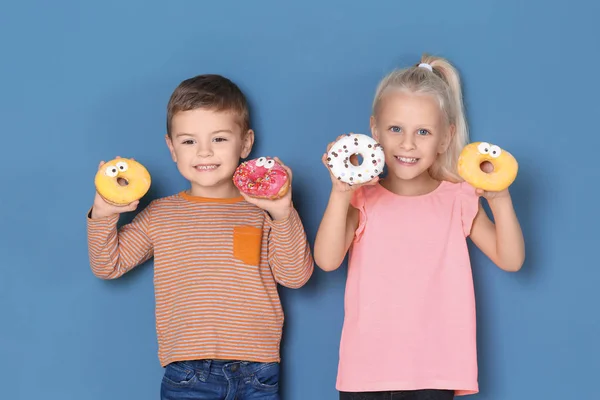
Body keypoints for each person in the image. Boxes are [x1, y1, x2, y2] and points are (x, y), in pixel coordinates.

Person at [87, 74, 314, 400]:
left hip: (259, 369)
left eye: (219, 139)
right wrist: (105, 212)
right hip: (188, 373)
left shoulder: (262, 212)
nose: (204, 152)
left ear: (245, 143)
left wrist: (283, 212)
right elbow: (108, 265)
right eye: (189, 141)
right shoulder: (161, 214)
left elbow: (294, 276)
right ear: (172, 148)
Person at [314, 54, 525, 399]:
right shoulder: (360, 196)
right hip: (366, 370)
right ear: (374, 130)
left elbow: (511, 259)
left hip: (434, 370)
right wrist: (340, 192)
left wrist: (500, 199)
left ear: (445, 138)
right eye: (395, 129)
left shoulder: (458, 198)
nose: (407, 144)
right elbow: (326, 259)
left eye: (423, 132)